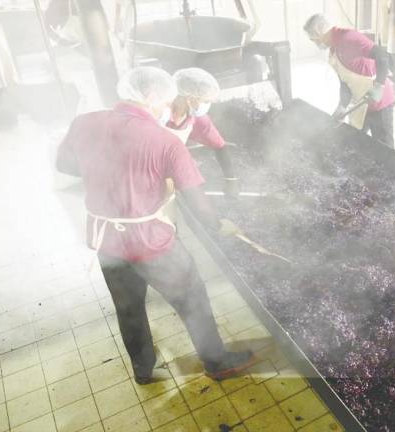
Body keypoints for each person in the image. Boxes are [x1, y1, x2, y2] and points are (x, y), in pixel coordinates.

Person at [56, 66, 255, 383]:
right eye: (165, 103)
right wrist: (219, 224)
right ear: (150, 98)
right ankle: (218, 363)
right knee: (192, 298)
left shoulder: (84, 123)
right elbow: (196, 201)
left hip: (107, 242)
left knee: (128, 308)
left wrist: (107, 175)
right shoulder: (164, 140)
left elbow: (64, 164)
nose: (166, 110)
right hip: (152, 243)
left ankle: (143, 369)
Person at [304, 13, 395, 148]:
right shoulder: (333, 50)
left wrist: (379, 86)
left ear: (319, 32)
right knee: (356, 145)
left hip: (379, 102)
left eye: (313, 39)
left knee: (386, 150)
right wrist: (342, 105)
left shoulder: (348, 38)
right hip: (360, 103)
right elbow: (345, 82)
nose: (315, 43)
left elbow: (382, 56)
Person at [166, 67, 239, 198]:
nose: (207, 105)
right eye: (206, 101)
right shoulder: (159, 115)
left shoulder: (197, 119)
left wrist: (231, 180)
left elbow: (220, 147)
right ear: (190, 98)